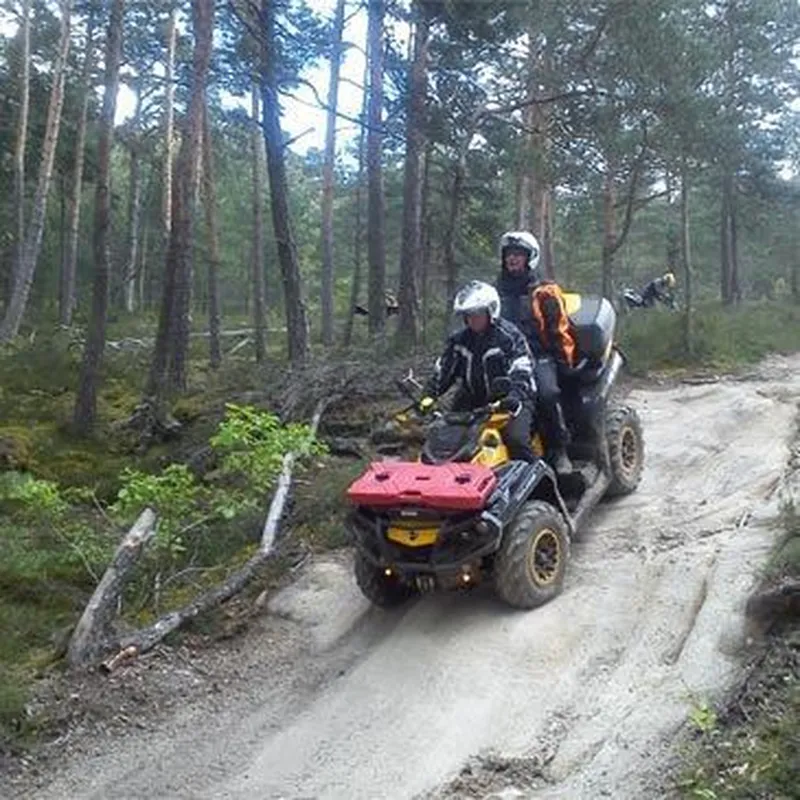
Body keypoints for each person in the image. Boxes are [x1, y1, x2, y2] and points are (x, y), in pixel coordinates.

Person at [420, 280, 538, 464]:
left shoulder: (510, 337)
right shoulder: (459, 341)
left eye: (477, 314)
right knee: (444, 439)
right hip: (472, 400)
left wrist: (514, 396)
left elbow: (522, 369)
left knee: (516, 441)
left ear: (490, 311)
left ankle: (541, 480)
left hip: (512, 402)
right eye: (468, 315)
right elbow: (443, 372)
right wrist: (428, 396)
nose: (472, 319)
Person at [495, 231, 576, 475]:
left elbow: (559, 330)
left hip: (539, 356)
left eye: (518, 255)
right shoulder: (493, 292)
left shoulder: (544, 291)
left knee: (548, 394)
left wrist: (564, 363)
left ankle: (560, 450)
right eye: (509, 254)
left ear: (530, 258)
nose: (512, 259)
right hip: (504, 358)